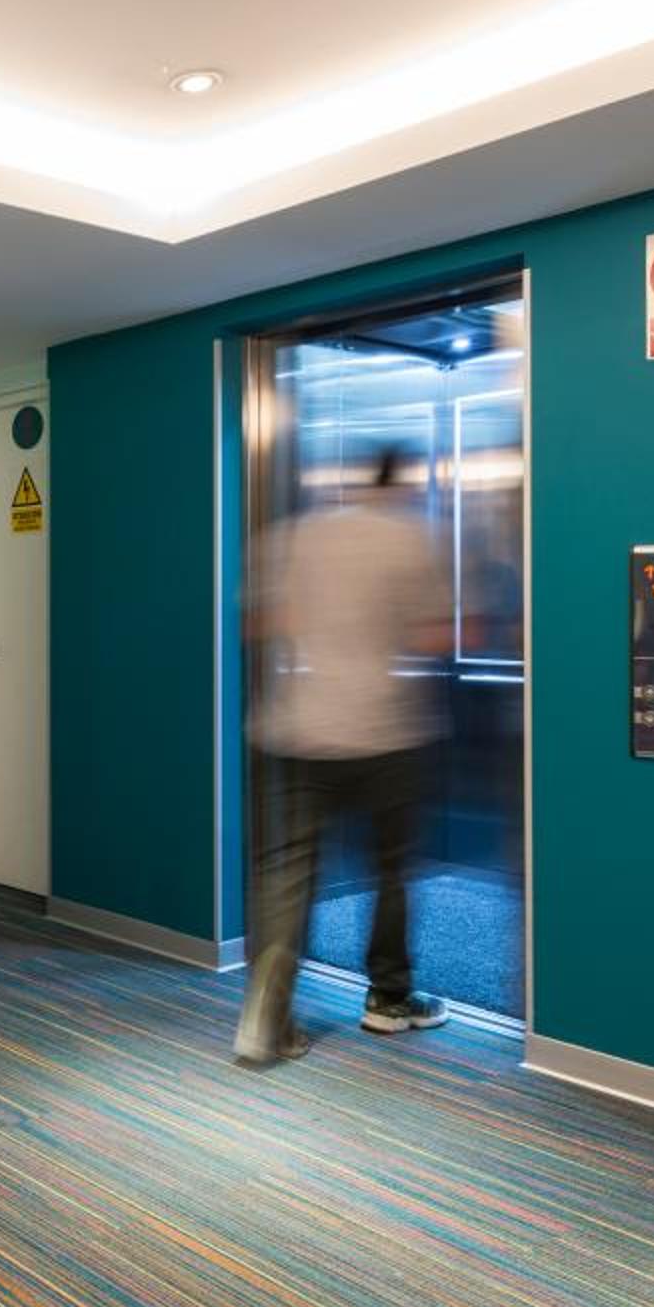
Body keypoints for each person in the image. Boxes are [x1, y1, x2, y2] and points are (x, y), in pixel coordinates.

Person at [235, 444, 453, 1065]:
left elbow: (259, 623)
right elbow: (438, 637)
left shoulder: (295, 536)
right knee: (391, 869)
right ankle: (389, 999)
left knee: (289, 872)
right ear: (403, 485)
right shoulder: (412, 539)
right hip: (384, 729)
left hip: (297, 729)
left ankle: (267, 1012)